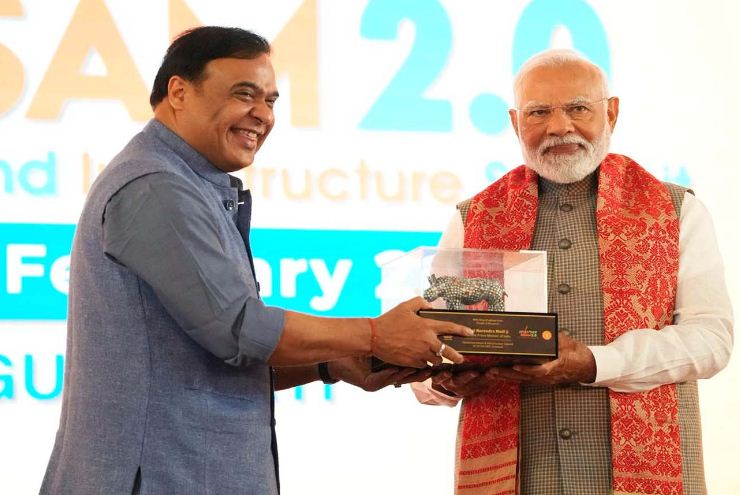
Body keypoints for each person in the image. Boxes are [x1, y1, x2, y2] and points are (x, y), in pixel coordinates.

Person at [40, 26, 472, 495]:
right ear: (179, 92)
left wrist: (331, 365)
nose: (262, 115)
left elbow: (200, 364)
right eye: (244, 94)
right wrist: (375, 333)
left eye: (270, 100)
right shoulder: (157, 187)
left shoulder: (187, 184)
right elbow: (239, 330)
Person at [412, 49, 733, 495]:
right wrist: (446, 381)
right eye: (538, 112)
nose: (559, 127)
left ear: (611, 113)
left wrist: (595, 363)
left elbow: (711, 341)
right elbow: (432, 360)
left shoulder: (676, 210)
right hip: (522, 478)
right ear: (515, 122)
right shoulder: (475, 218)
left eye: (578, 108)